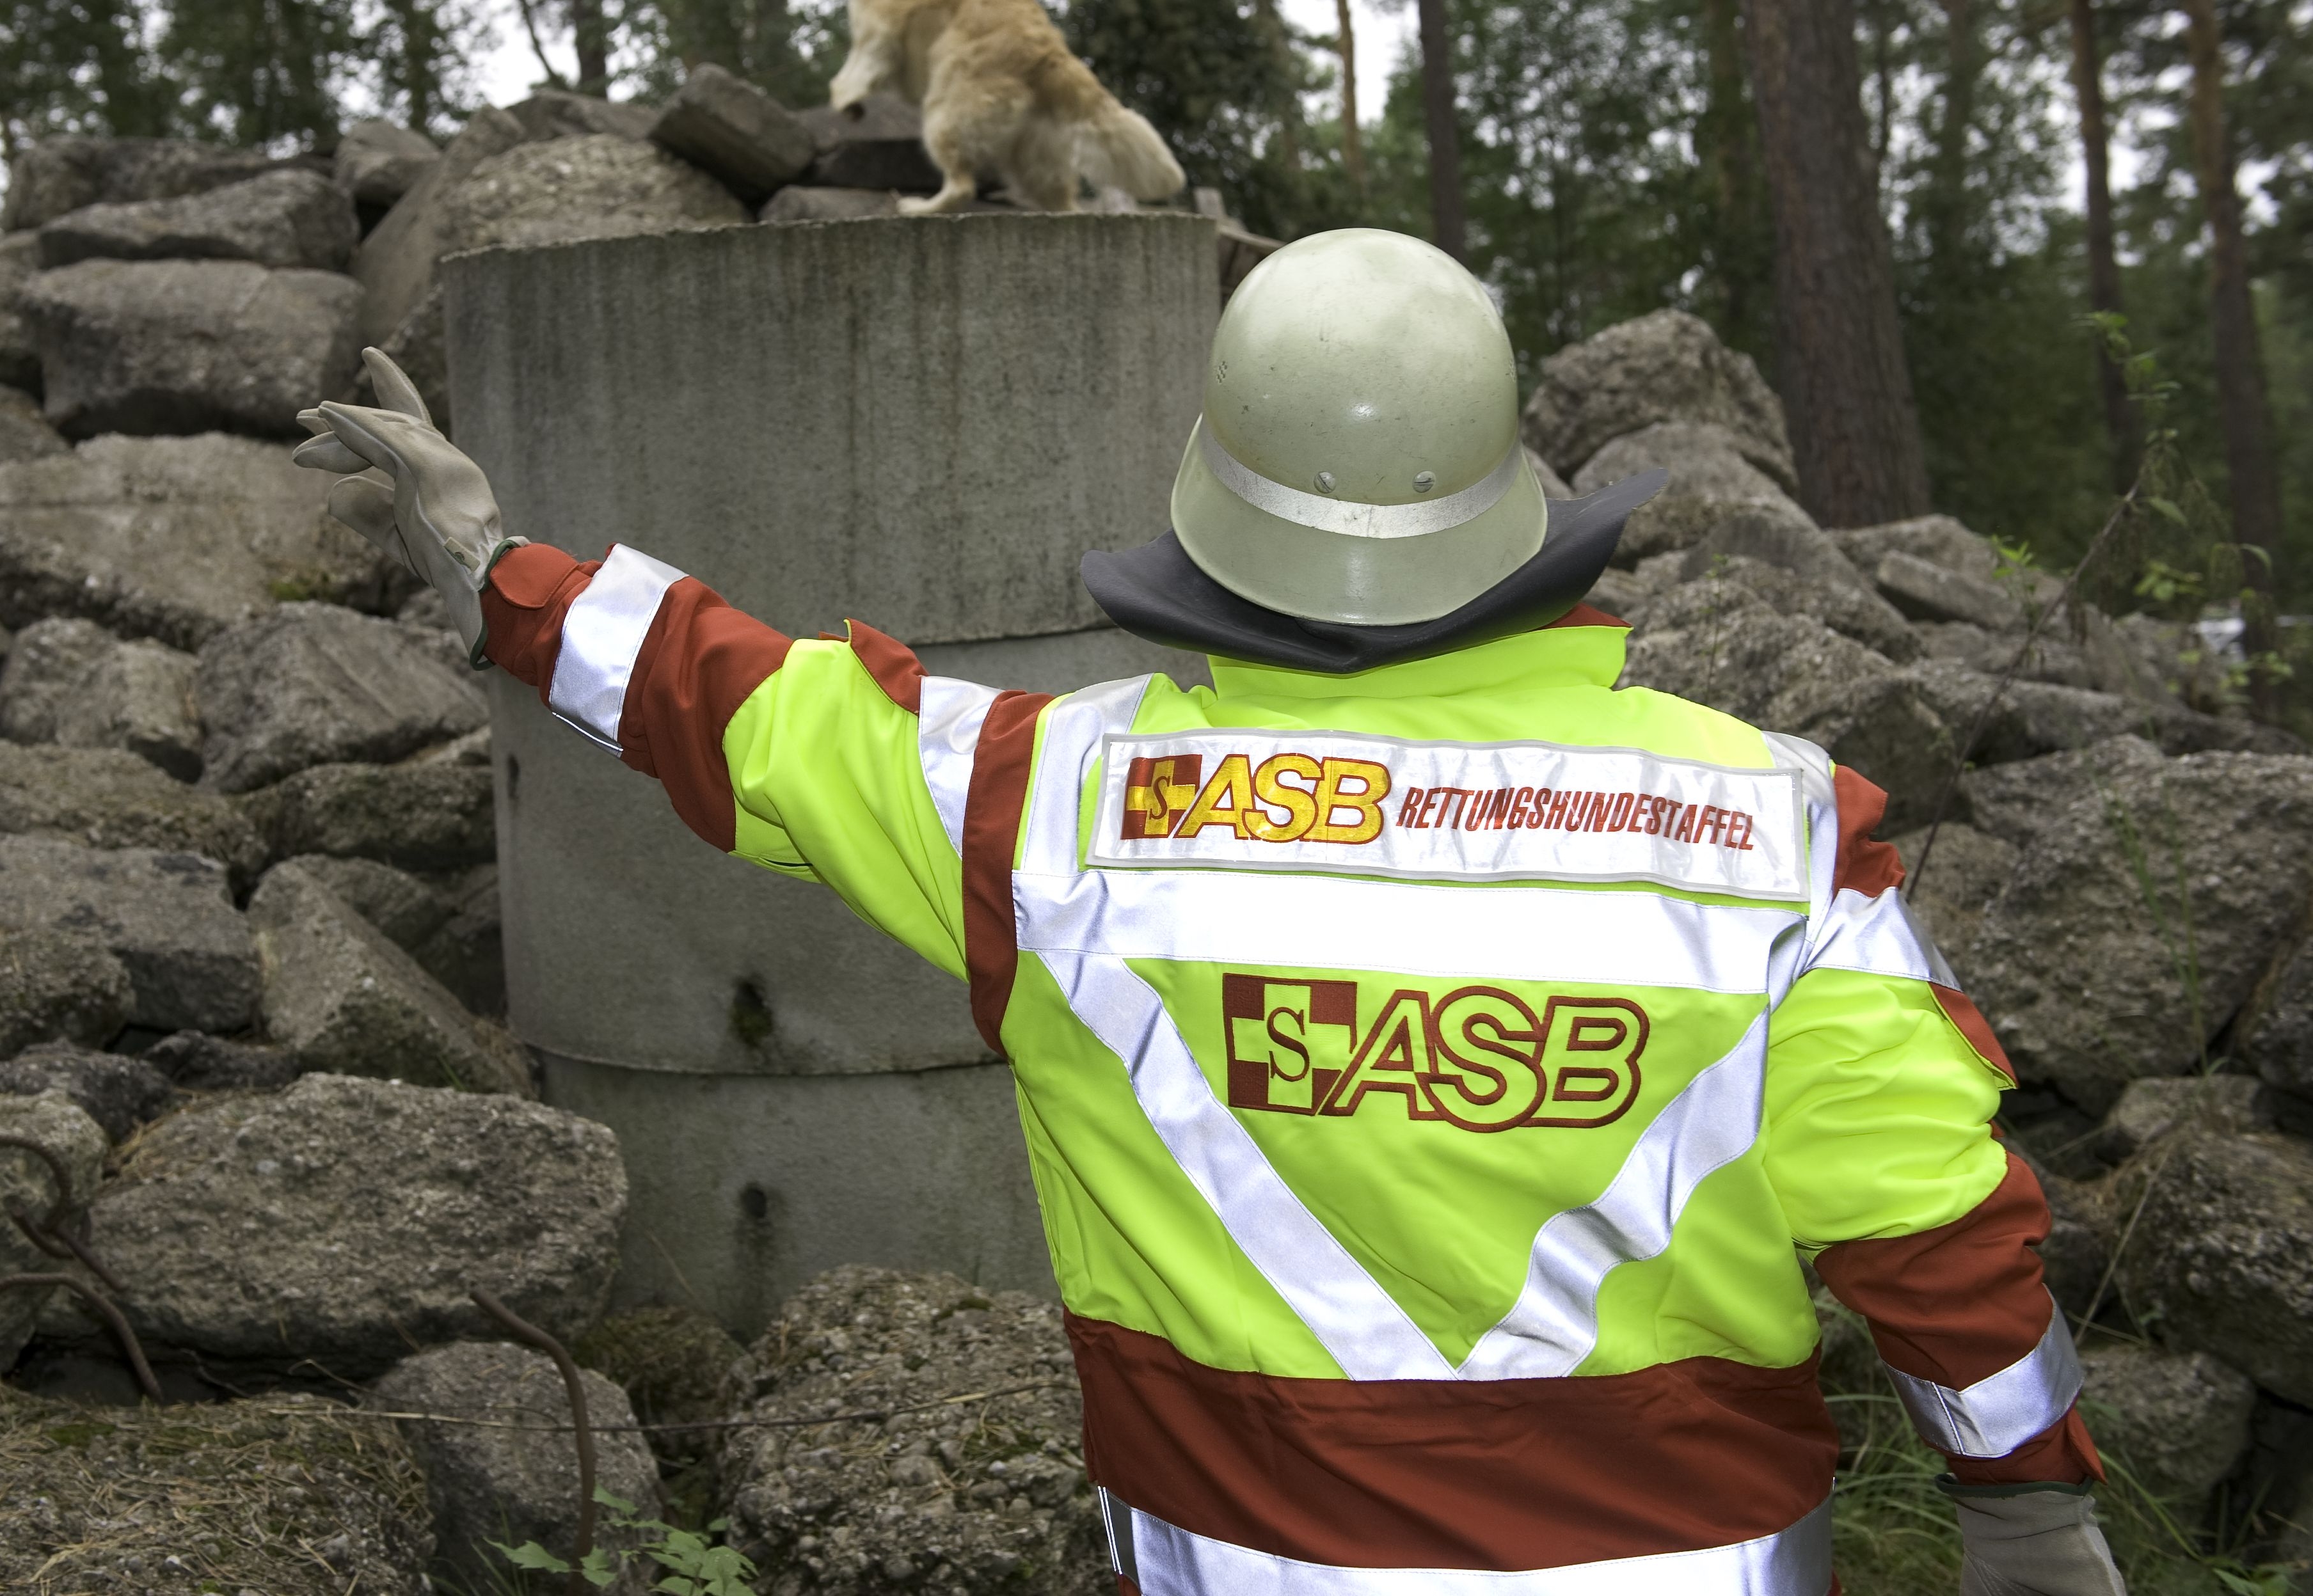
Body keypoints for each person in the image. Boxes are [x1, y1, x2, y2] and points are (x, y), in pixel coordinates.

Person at [296, 228, 2122, 1596]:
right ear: (1516, 521)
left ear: (1221, 529)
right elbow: (1937, 1214)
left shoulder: (1049, 805)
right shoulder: (1775, 835)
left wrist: (502, 576)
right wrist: (2028, 1499)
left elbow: (755, 710)